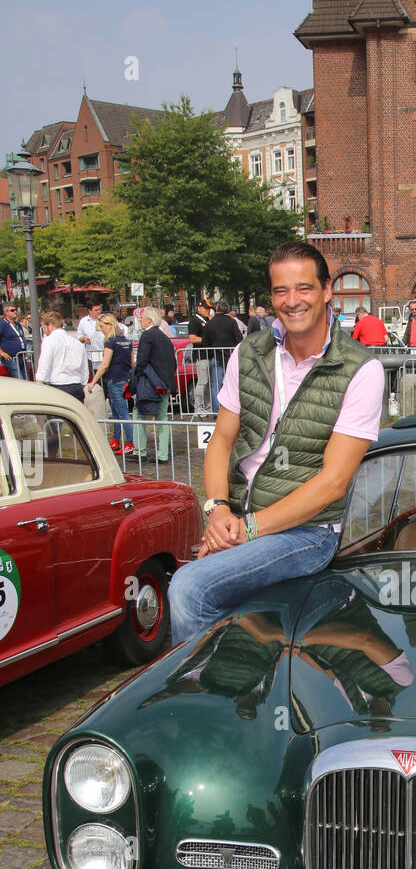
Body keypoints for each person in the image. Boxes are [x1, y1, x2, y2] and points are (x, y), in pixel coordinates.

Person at [167, 239, 385, 643]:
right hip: (238, 516)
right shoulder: (249, 352)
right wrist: (216, 511)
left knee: (191, 587)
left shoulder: (361, 369)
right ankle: (239, 670)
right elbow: (222, 440)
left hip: (307, 531)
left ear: (326, 290)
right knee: (202, 591)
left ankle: (208, 693)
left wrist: (245, 531)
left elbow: (333, 483)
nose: (292, 300)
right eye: (281, 290)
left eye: (304, 288)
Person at [131, 306, 177, 462]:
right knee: (162, 417)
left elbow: (142, 361)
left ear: (149, 320)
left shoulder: (147, 336)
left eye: (142, 318)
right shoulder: (165, 337)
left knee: (138, 415)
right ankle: (163, 454)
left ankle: (139, 451)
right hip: (166, 383)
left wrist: (136, 377)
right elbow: (173, 361)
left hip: (151, 383)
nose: (140, 320)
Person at [87, 314, 134, 453]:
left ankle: (130, 442)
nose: (101, 330)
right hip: (124, 378)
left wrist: (93, 382)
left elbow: (104, 364)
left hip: (115, 379)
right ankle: (115, 439)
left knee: (122, 412)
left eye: (102, 326)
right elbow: (132, 362)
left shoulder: (111, 341)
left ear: (110, 325)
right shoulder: (126, 340)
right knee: (116, 411)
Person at [34, 310, 88, 400]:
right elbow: (84, 368)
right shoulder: (76, 342)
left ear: (50, 325)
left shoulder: (49, 340)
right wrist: (83, 383)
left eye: (43, 327)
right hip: (76, 385)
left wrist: (39, 382)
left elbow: (45, 364)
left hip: (58, 385)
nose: (44, 331)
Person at [203, 300, 244, 415]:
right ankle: (234, 410)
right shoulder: (231, 322)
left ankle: (217, 411)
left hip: (216, 356)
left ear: (216, 309)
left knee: (216, 384)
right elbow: (239, 339)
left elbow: (205, 342)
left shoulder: (210, 323)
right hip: (230, 356)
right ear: (227, 310)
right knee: (233, 383)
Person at [189, 299, 212, 417]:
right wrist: (206, 340)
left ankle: (207, 407)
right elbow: (192, 338)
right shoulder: (195, 321)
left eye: (209, 308)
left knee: (208, 383)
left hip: (209, 355)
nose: (208, 310)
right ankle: (199, 407)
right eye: (206, 308)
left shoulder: (207, 320)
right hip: (201, 355)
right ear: (199, 308)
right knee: (202, 382)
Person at [0, 302, 29, 378]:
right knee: (20, 377)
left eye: (15, 310)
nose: (15, 312)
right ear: (6, 312)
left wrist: (25, 350)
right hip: (10, 357)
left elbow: (22, 337)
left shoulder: (18, 324)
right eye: (12, 310)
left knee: (27, 378)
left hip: (21, 356)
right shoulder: (3, 324)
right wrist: (2, 353)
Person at [77, 301, 104, 375]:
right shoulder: (83, 321)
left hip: (105, 353)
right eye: (96, 310)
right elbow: (79, 337)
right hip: (91, 355)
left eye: (99, 309)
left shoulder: (105, 319)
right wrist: (84, 339)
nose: (99, 312)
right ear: (89, 311)